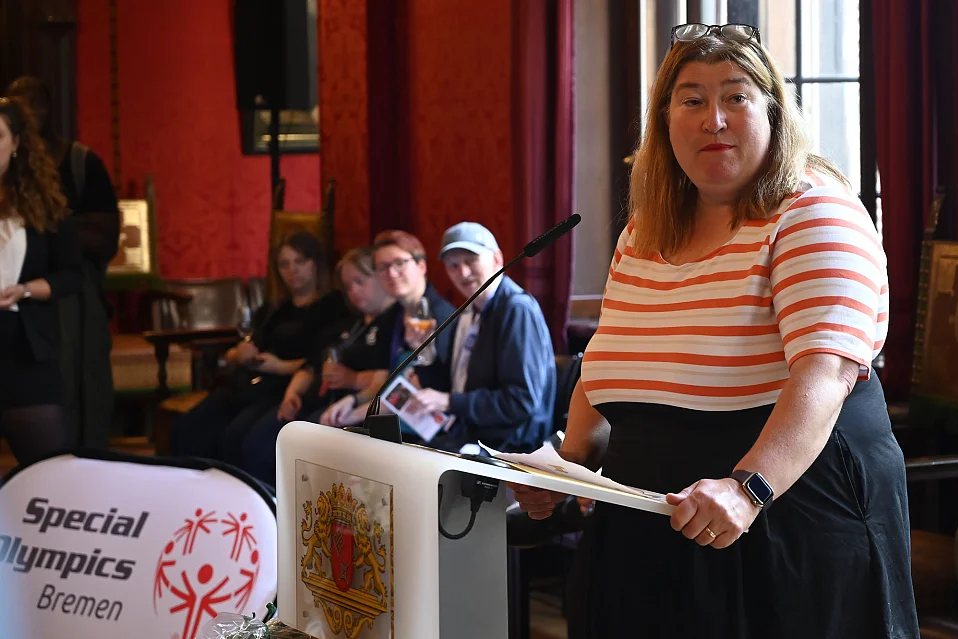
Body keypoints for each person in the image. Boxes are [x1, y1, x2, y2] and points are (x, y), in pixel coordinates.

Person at [510, 23, 918, 638]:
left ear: (773, 112)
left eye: (736, 97)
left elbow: (825, 372)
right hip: (649, 523)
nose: (714, 120)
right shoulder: (647, 230)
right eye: (692, 100)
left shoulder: (814, 207)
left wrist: (749, 488)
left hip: (788, 518)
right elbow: (606, 360)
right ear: (664, 120)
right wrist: (567, 468)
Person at [169, 231, 353, 466]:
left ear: (315, 263)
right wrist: (240, 353)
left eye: (300, 261)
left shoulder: (333, 306)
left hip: (284, 388)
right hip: (250, 382)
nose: (293, 270)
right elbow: (243, 348)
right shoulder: (275, 307)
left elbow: (322, 360)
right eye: (284, 264)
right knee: (187, 428)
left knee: (236, 436)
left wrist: (280, 367)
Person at [6, 76, 120, 450]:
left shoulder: (72, 169)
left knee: (54, 460)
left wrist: (24, 289)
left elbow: (86, 255)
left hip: (35, 336)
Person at [239, 247, 396, 485]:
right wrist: (292, 394)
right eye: (348, 286)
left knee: (275, 450)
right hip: (316, 397)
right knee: (254, 442)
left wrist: (353, 379)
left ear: (379, 278)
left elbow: (387, 379)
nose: (353, 292)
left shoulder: (392, 323)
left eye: (359, 282)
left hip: (353, 409)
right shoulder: (350, 322)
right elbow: (312, 364)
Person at [410, 222, 555, 453]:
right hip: (469, 435)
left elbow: (521, 401)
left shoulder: (516, 309)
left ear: (497, 259)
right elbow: (452, 388)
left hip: (509, 448)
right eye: (453, 266)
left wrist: (450, 402)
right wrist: (425, 354)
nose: (463, 273)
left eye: (471, 261)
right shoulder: (469, 311)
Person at [0, 96, 82, 465]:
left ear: (16, 143)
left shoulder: (44, 204)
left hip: (25, 348)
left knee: (51, 473)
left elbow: (72, 275)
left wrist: (27, 289)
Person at [317, 230, 456, 439]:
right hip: (393, 420)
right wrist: (352, 401)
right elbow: (384, 381)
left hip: (431, 431)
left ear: (421, 266)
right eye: (382, 267)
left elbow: (418, 390)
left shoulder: (443, 317)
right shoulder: (391, 317)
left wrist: (354, 414)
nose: (391, 273)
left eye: (399, 263)